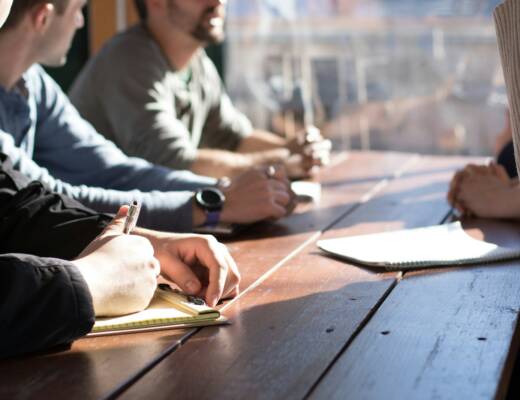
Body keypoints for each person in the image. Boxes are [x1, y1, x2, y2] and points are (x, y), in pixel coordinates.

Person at [0, 0, 294, 233]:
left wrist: (220, 190)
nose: (80, 22)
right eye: (79, 10)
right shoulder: (128, 59)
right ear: (42, 18)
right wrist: (212, 205)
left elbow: (113, 169)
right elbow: (51, 200)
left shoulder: (32, 82)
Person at [69, 0, 332, 179]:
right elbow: (175, 164)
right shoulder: (128, 59)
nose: (219, 2)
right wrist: (281, 163)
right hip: (99, 229)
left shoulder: (196, 61)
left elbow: (234, 138)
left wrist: (295, 148)